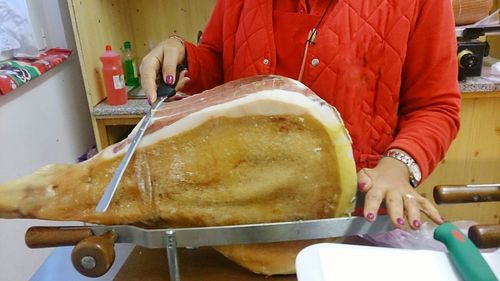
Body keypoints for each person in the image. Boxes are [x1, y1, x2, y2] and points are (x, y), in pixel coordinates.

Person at [139, 0, 461, 230]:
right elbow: (221, 60)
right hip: (248, 201)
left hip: (359, 211)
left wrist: (396, 169)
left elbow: (435, 107)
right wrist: (185, 57)